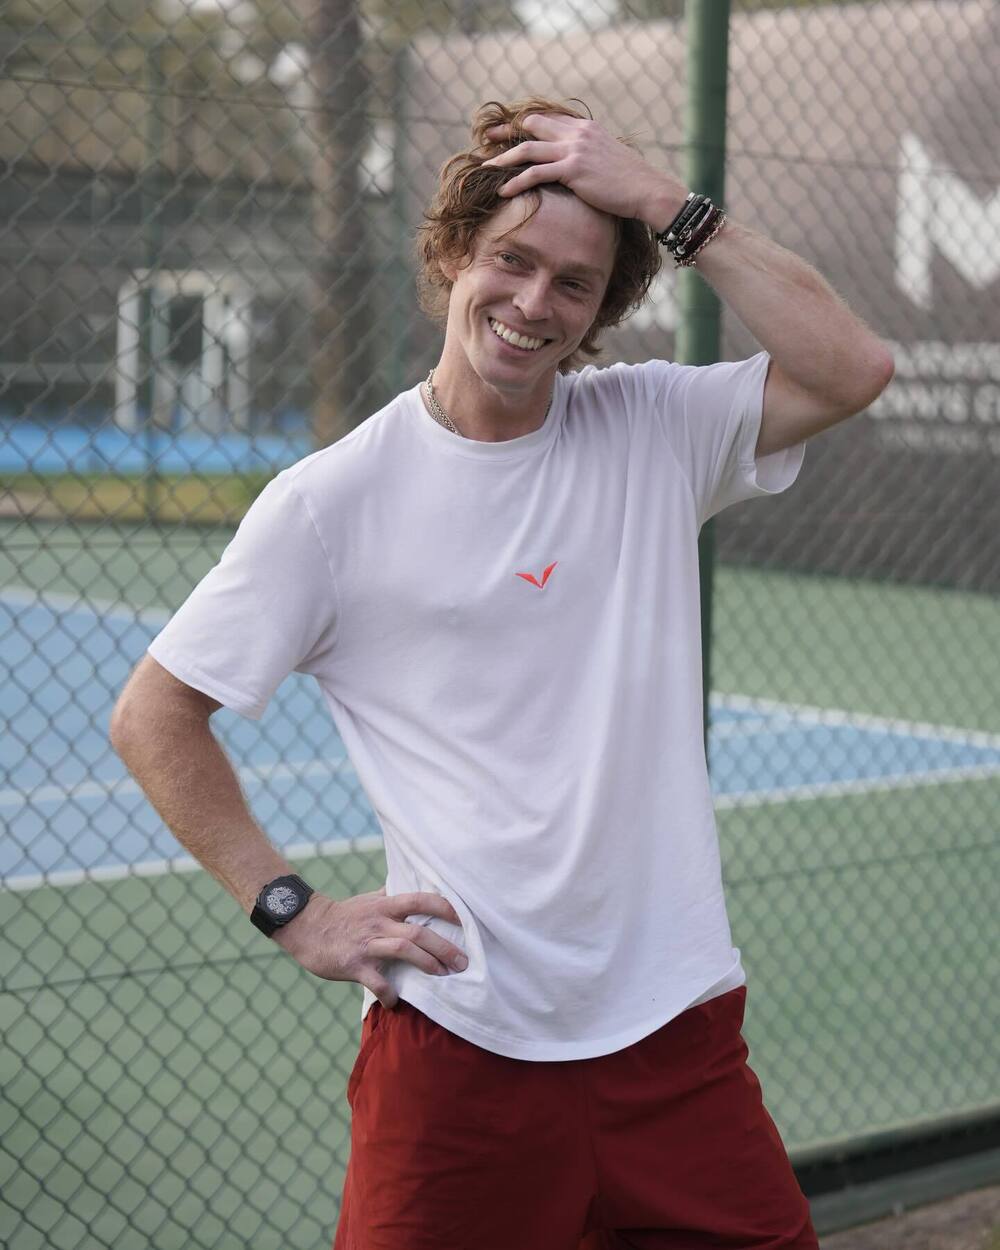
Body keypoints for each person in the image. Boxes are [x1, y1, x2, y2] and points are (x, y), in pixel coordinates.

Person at [110, 97, 894, 1250]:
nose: (533, 303)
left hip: (676, 1041)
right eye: (511, 262)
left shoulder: (653, 428)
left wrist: (664, 203)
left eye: (573, 283)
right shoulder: (330, 501)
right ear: (450, 256)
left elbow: (854, 365)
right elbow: (154, 714)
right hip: (458, 1051)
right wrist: (294, 911)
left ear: (602, 309)